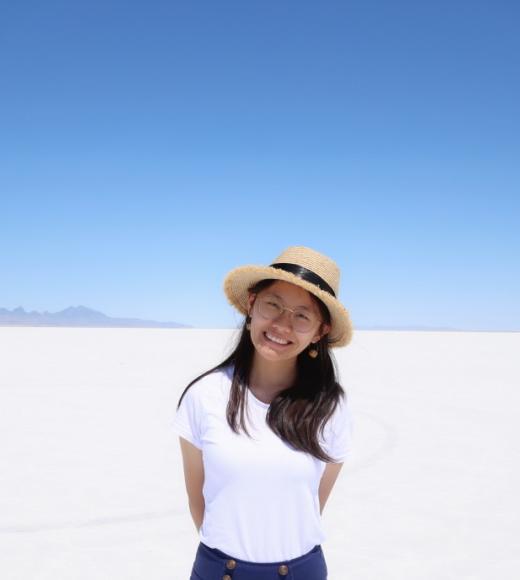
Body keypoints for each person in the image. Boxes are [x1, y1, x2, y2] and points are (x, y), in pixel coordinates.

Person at [173, 246, 354, 580]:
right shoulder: (204, 395)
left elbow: (312, 504)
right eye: (273, 305)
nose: (282, 325)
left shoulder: (330, 406)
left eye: (302, 315)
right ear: (252, 305)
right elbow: (198, 499)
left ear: (320, 331)